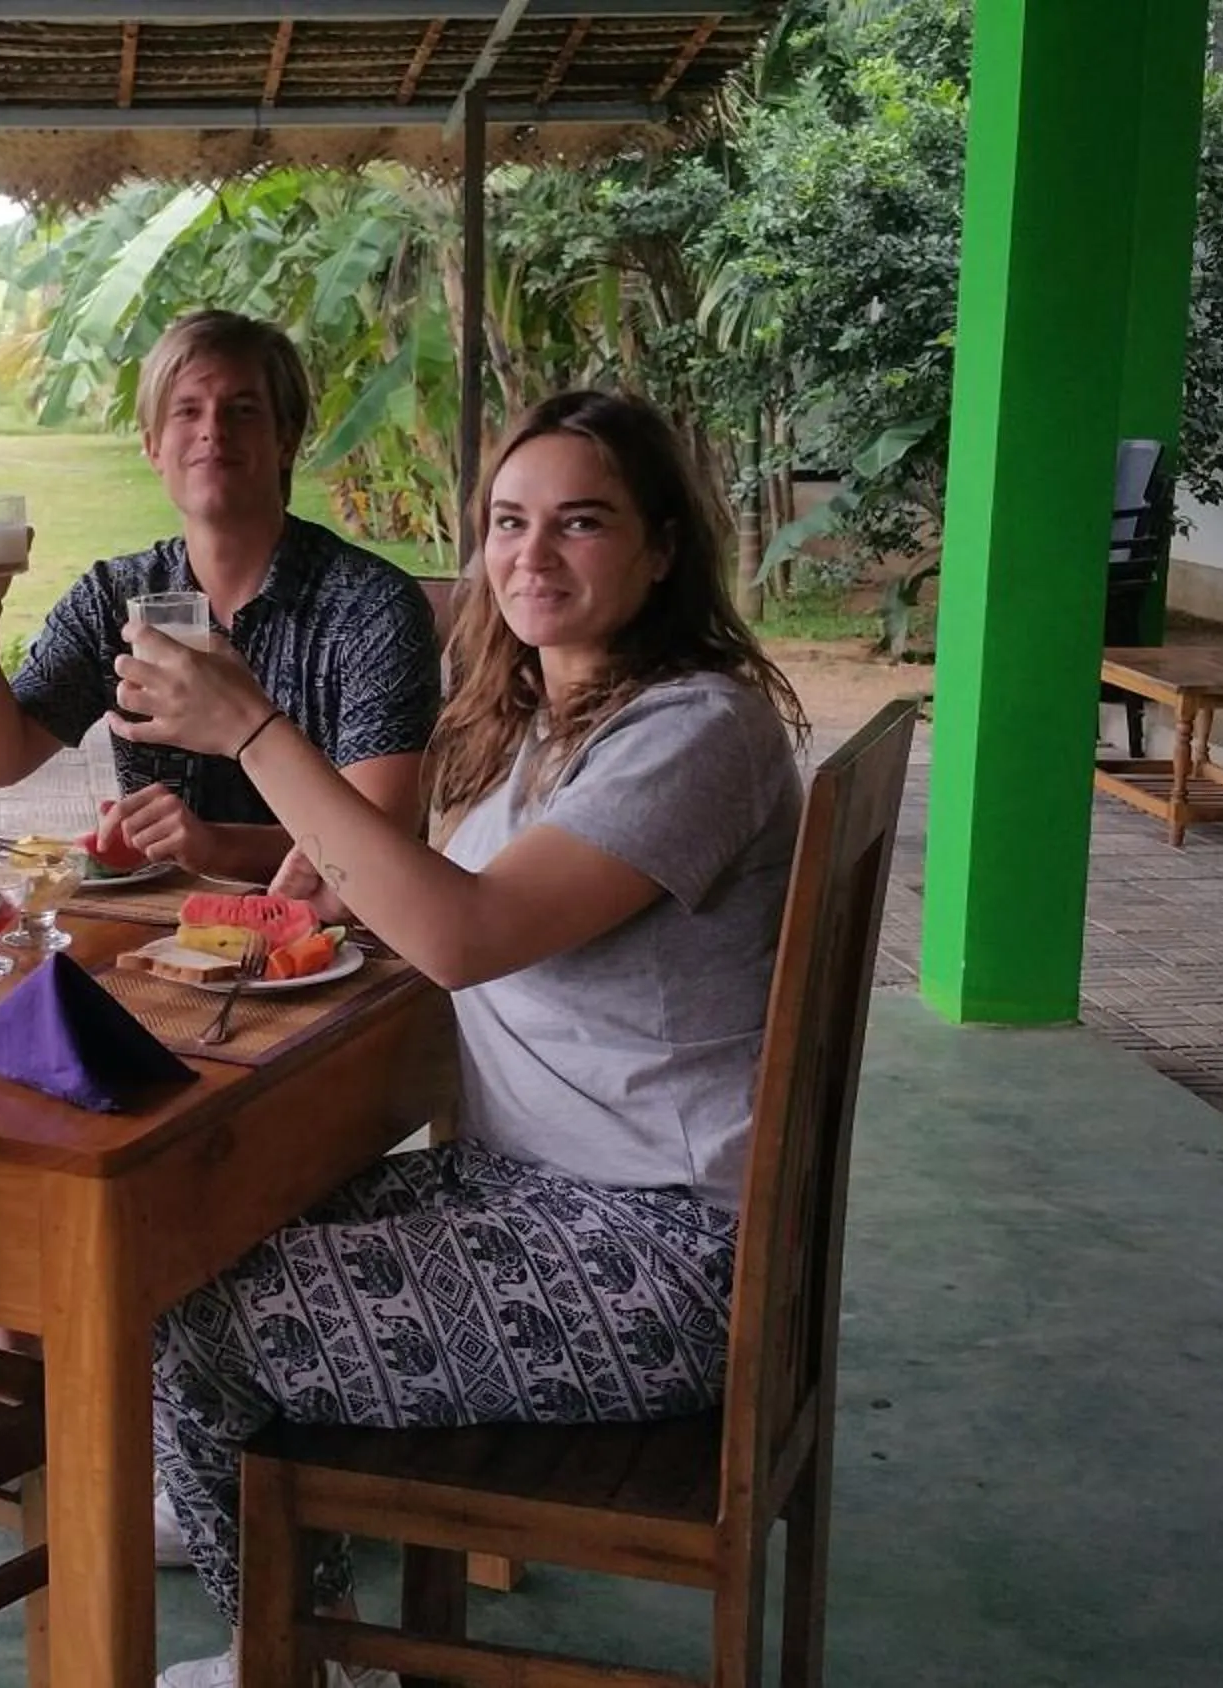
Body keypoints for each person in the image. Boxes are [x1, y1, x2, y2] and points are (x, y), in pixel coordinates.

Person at [108, 390, 809, 1688]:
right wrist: (323, 875)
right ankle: (307, 1650)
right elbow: (424, 882)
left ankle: (294, 1664)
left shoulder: (696, 730)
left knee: (197, 1319)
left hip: (664, 1249)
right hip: (525, 1186)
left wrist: (251, 725)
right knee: (182, 1244)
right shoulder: (537, 713)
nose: (532, 555)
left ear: (663, 546)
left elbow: (463, 934)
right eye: (508, 523)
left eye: (581, 522)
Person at [0, 309, 439, 881]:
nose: (214, 429)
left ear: (286, 440)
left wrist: (217, 846)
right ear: (153, 447)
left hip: (334, 928)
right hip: (158, 925)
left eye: (242, 410)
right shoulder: (115, 597)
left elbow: (384, 841)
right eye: (188, 411)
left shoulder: (372, 609)